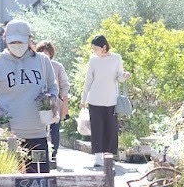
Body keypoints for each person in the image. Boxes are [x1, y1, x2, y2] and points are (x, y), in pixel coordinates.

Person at [0, 19, 59, 173]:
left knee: (39, 184)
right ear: (5, 40)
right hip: (9, 136)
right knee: (12, 185)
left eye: (20, 41)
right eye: (12, 42)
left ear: (30, 40)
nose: (17, 45)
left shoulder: (43, 61)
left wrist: (51, 100)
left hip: (38, 133)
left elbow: (53, 86)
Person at [81, 34, 128, 166]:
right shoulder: (93, 61)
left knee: (111, 129)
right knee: (97, 129)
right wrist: (83, 99)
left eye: (95, 48)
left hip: (111, 100)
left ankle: (108, 157)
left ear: (104, 47)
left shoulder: (116, 58)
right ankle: (97, 158)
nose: (94, 51)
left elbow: (119, 77)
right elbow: (88, 80)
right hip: (95, 100)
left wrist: (125, 76)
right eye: (92, 49)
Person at [34, 40, 70, 167]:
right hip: (37, 103)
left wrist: (65, 106)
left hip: (55, 103)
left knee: (55, 130)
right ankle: (40, 158)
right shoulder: (33, 66)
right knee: (38, 131)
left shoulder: (57, 66)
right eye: (42, 53)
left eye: (47, 54)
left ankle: (53, 155)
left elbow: (65, 86)